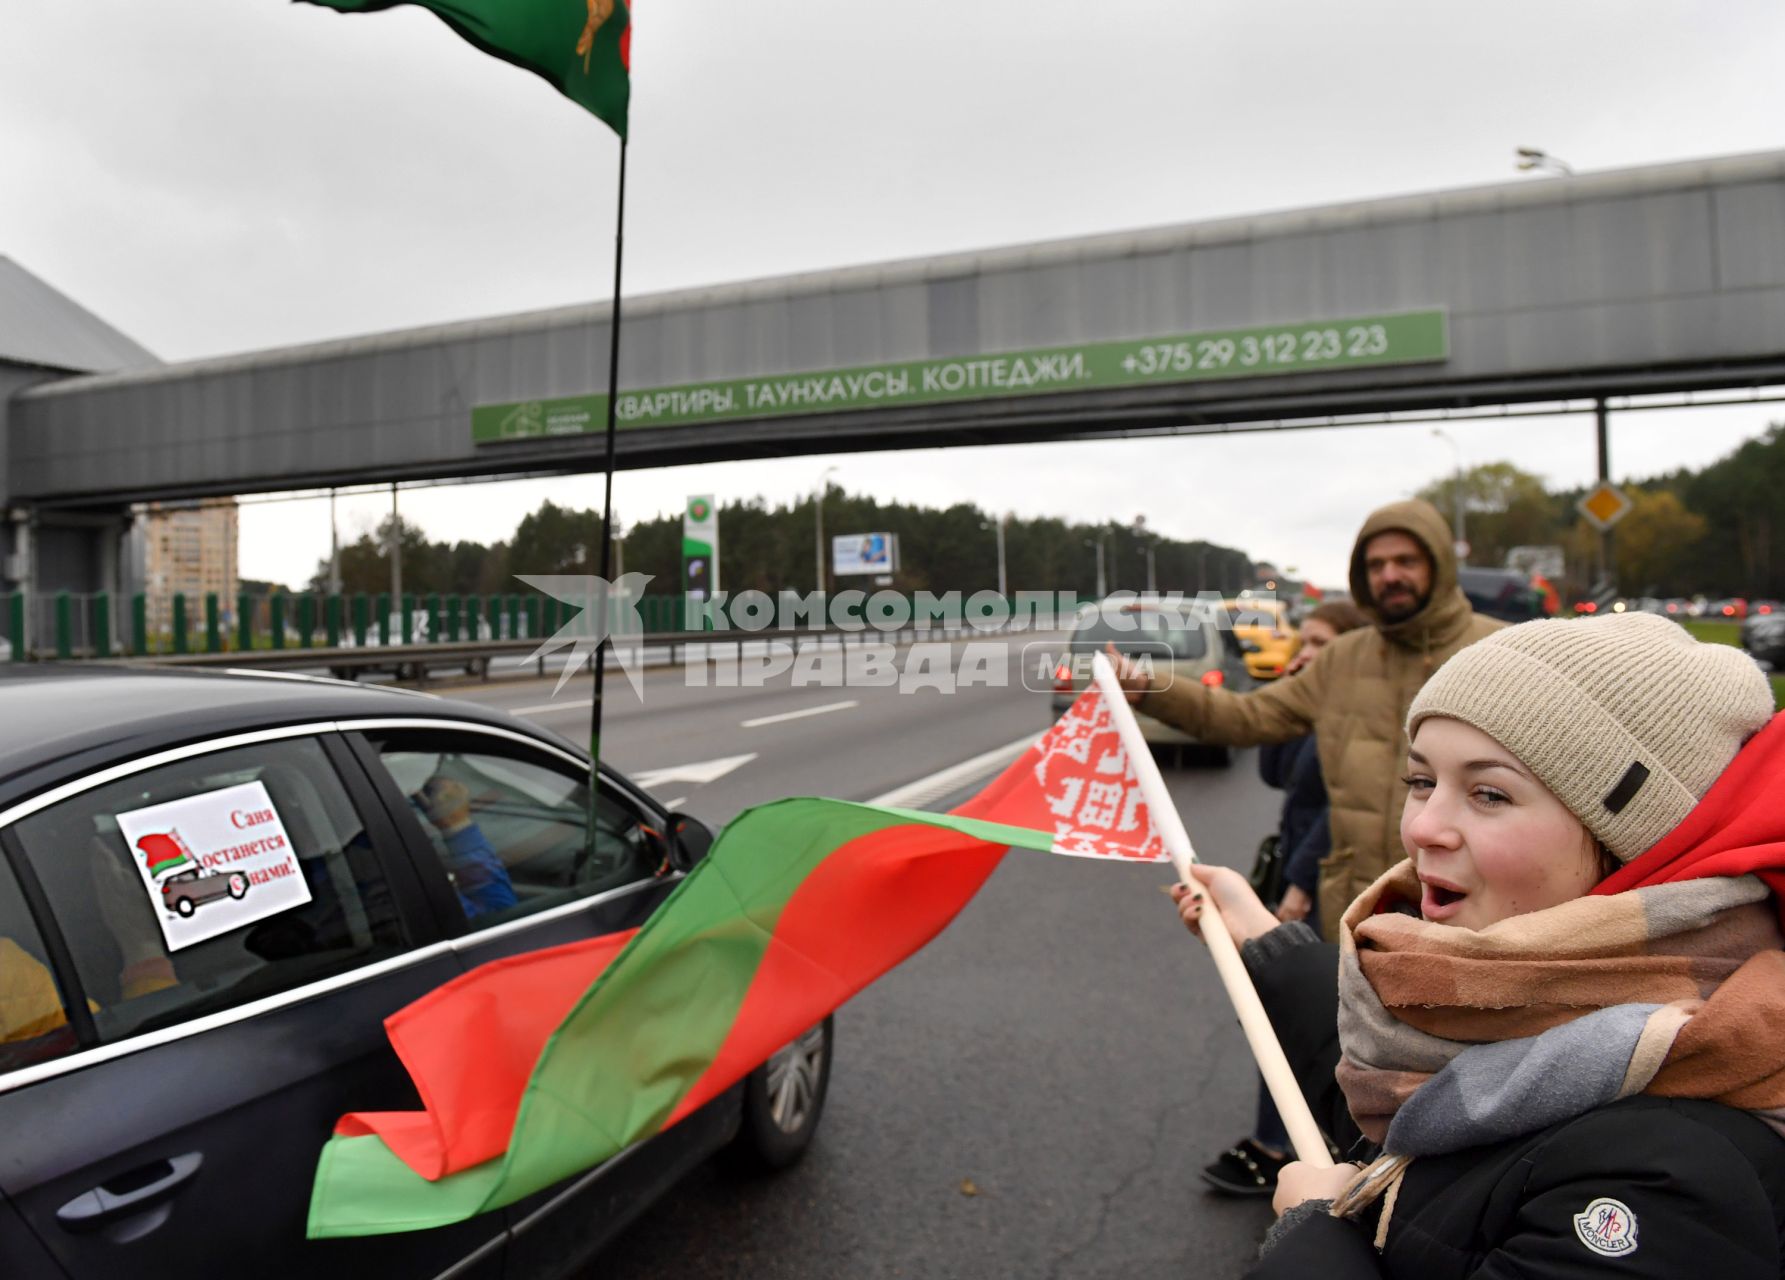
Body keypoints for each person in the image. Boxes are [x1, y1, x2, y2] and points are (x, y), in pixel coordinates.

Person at [1170, 613, 1785, 1277]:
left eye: (1488, 793)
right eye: (1420, 782)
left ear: (1634, 838)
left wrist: (1313, 1238)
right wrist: (1263, 942)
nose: (1423, 828)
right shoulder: (1494, 1001)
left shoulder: (1673, 1183)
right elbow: (1424, 1089)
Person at [1115, 499, 1501, 938]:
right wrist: (1146, 688)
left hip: (1469, 911)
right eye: (1376, 565)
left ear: (1440, 564)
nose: (1389, 575)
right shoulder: (1341, 659)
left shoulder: (1500, 650)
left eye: (1405, 561)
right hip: (1359, 911)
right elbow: (1247, 716)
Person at [1203, 599, 1368, 1196]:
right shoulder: (1319, 698)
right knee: (1296, 1003)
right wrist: (1291, 687)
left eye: (1322, 645)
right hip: (1302, 865)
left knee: (1301, 1006)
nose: (1308, 654)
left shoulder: (1362, 713)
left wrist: (1297, 886)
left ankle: (1281, 1145)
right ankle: (1295, 1136)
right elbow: (1277, 774)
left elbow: (1339, 811)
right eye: (1307, 642)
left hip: (1327, 879)